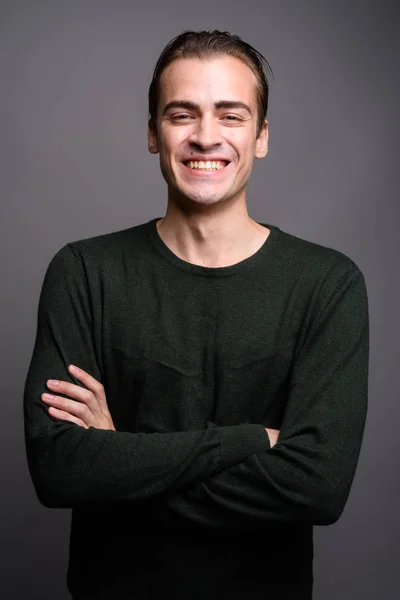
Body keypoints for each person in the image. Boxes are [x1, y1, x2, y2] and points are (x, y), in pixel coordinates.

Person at [23, 29, 369, 600]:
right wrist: (250, 440)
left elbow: (317, 488)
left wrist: (120, 456)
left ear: (261, 137)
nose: (205, 137)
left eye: (230, 116)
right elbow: (61, 470)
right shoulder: (83, 271)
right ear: (153, 134)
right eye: (182, 114)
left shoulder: (327, 284)